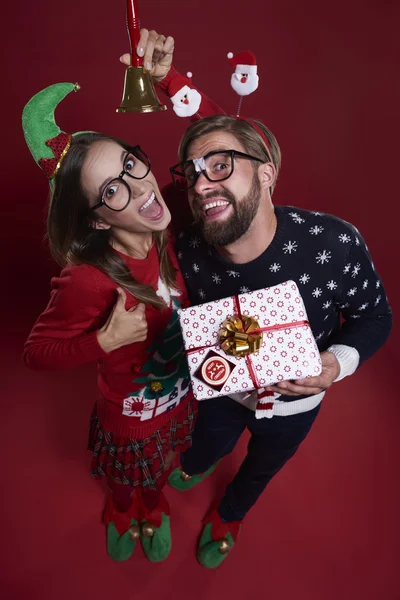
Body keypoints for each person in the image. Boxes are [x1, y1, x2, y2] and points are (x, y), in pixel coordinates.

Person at [22, 29, 220, 564]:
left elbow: (228, 148)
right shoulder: (89, 278)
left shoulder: (175, 224)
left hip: (181, 394)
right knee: (126, 480)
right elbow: (36, 354)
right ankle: (121, 511)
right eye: (113, 189)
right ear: (94, 217)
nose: (141, 188)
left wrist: (167, 81)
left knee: (159, 475)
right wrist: (104, 340)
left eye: (132, 164)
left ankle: (153, 512)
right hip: (129, 415)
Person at [165, 113, 393, 568]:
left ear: (266, 173)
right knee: (206, 443)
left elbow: (376, 316)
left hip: (295, 407)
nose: (201, 184)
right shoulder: (184, 248)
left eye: (221, 164)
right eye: (191, 172)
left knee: (262, 465)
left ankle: (230, 514)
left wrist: (334, 363)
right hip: (220, 390)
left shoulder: (334, 243)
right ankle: (197, 464)